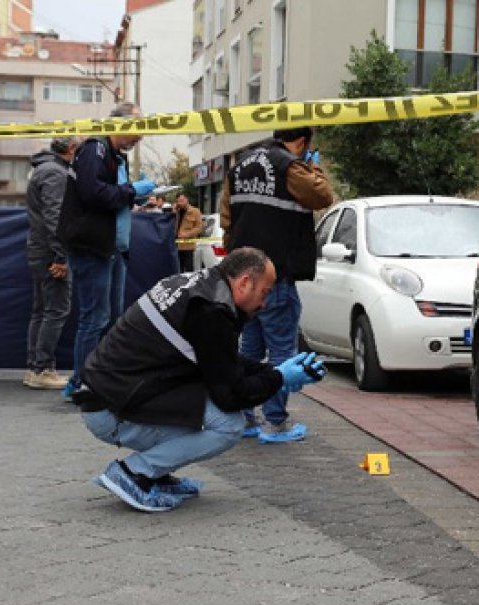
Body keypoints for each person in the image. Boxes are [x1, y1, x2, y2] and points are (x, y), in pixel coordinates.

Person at [76, 247, 326, 512]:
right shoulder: (211, 311)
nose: (264, 304)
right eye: (265, 292)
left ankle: (157, 474)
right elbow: (231, 395)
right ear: (244, 282)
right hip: (112, 409)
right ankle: (135, 473)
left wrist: (274, 372)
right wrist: (278, 378)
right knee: (228, 425)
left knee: (205, 412)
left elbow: (220, 361)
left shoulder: (198, 288)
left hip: (109, 394)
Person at [221, 126, 333, 443]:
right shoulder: (290, 166)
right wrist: (313, 167)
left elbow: (227, 217)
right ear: (301, 142)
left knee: (250, 349)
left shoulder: (240, 164)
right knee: (282, 350)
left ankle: (244, 419)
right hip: (275, 275)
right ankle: (275, 422)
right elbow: (322, 196)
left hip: (243, 276)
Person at [57, 102, 154, 400]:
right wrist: (132, 191)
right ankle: (81, 383)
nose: (140, 138)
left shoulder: (112, 155)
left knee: (111, 318)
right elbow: (93, 193)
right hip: (93, 248)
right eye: (136, 130)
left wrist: (133, 197)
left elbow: (106, 197)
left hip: (110, 248)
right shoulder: (94, 150)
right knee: (94, 318)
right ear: (120, 125)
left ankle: (100, 378)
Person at [23, 136, 80, 390]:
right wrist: (61, 256)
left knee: (41, 311)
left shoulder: (43, 169)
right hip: (50, 252)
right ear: (70, 149)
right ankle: (42, 368)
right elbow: (56, 216)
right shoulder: (57, 174)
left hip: (39, 248)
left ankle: (35, 367)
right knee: (55, 310)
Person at [173, 193, 204, 273]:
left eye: (182, 201)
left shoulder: (195, 211)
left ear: (187, 200)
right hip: (176, 246)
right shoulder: (176, 212)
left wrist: (187, 234)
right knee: (177, 269)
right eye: (178, 201)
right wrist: (173, 211)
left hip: (188, 246)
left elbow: (199, 228)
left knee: (189, 270)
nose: (180, 203)